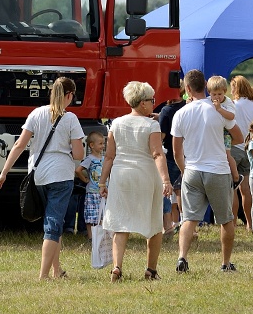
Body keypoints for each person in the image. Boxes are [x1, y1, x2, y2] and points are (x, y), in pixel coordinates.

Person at [0, 78, 85, 280]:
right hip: (61, 175)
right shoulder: (70, 119)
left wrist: (4, 172)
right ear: (69, 95)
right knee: (53, 224)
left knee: (53, 221)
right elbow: (78, 153)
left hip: (38, 174)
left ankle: (57, 270)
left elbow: (19, 145)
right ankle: (43, 275)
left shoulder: (36, 113)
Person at [97, 82, 172, 282]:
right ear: (142, 103)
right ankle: (151, 270)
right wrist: (166, 180)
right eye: (151, 100)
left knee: (121, 225)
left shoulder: (117, 123)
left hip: (121, 175)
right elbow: (157, 153)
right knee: (154, 224)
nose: (154, 104)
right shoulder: (151, 125)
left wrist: (102, 182)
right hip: (146, 174)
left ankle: (117, 267)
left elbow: (109, 157)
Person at [171, 70, 242, 273]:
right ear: (206, 87)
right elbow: (238, 137)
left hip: (192, 169)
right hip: (217, 170)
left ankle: (182, 257)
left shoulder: (181, 113)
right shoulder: (218, 109)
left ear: (188, 89)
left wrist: (184, 170)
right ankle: (225, 263)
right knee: (226, 219)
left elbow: (177, 151)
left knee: (189, 219)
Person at [229, 75, 253, 231]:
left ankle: (233, 222)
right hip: (250, 147)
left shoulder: (233, 105)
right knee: (246, 190)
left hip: (235, 148)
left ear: (236, 88)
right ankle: (250, 223)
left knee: (232, 189)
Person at [158, 84, 186, 236]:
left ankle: (168, 225)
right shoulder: (187, 107)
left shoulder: (166, 110)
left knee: (166, 190)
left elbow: (162, 136)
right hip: (187, 154)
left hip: (169, 155)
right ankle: (188, 225)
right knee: (182, 191)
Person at [76, 131, 105, 241]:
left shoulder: (104, 159)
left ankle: (101, 236)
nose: (103, 146)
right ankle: (91, 236)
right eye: (100, 144)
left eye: (103, 143)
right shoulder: (90, 159)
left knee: (102, 215)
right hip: (92, 192)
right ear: (92, 145)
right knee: (91, 215)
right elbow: (78, 170)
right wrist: (85, 180)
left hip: (103, 191)